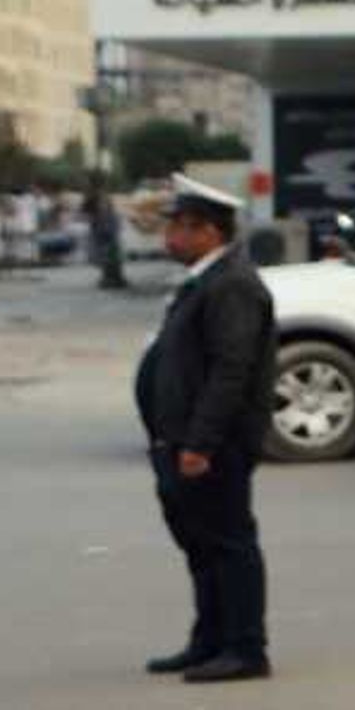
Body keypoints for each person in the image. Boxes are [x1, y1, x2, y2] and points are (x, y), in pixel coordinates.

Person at [132, 176, 275, 683]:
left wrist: (201, 443)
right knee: (200, 544)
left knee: (229, 543)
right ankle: (208, 639)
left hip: (213, 445)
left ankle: (244, 647)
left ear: (209, 232)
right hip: (179, 440)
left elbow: (230, 371)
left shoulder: (233, 285)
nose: (168, 238)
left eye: (178, 229)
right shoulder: (204, 280)